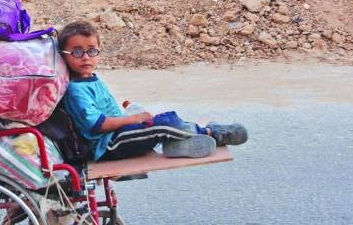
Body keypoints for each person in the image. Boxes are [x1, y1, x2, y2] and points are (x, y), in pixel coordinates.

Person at [58, 20, 247, 162]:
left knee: (165, 118)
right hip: (108, 145)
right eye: (77, 52)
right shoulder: (76, 90)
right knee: (162, 125)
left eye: (92, 51)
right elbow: (97, 125)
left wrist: (134, 117)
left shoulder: (89, 78)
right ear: (63, 55)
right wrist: (133, 119)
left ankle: (181, 143)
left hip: (118, 133)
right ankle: (211, 133)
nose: (85, 57)